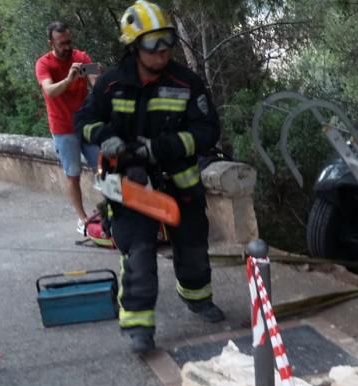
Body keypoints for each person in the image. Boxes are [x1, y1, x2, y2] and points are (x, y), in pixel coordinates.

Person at [75, 0, 224, 354]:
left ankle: (198, 298)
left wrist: (159, 148)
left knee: (192, 245)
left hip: (178, 182)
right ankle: (138, 326)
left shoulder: (186, 83)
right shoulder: (111, 84)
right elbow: (83, 121)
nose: (163, 50)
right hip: (130, 185)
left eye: (168, 40)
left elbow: (207, 131)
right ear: (133, 46)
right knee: (138, 252)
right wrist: (104, 137)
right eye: (153, 43)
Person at [35, 22, 101, 235]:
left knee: (104, 167)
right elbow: (50, 91)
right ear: (51, 43)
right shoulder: (44, 64)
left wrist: (99, 78)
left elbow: (97, 84)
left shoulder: (81, 58)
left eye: (69, 42)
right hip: (63, 128)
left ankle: (113, 211)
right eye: (62, 43)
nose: (67, 47)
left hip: (86, 125)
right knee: (73, 174)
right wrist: (69, 79)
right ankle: (82, 218)